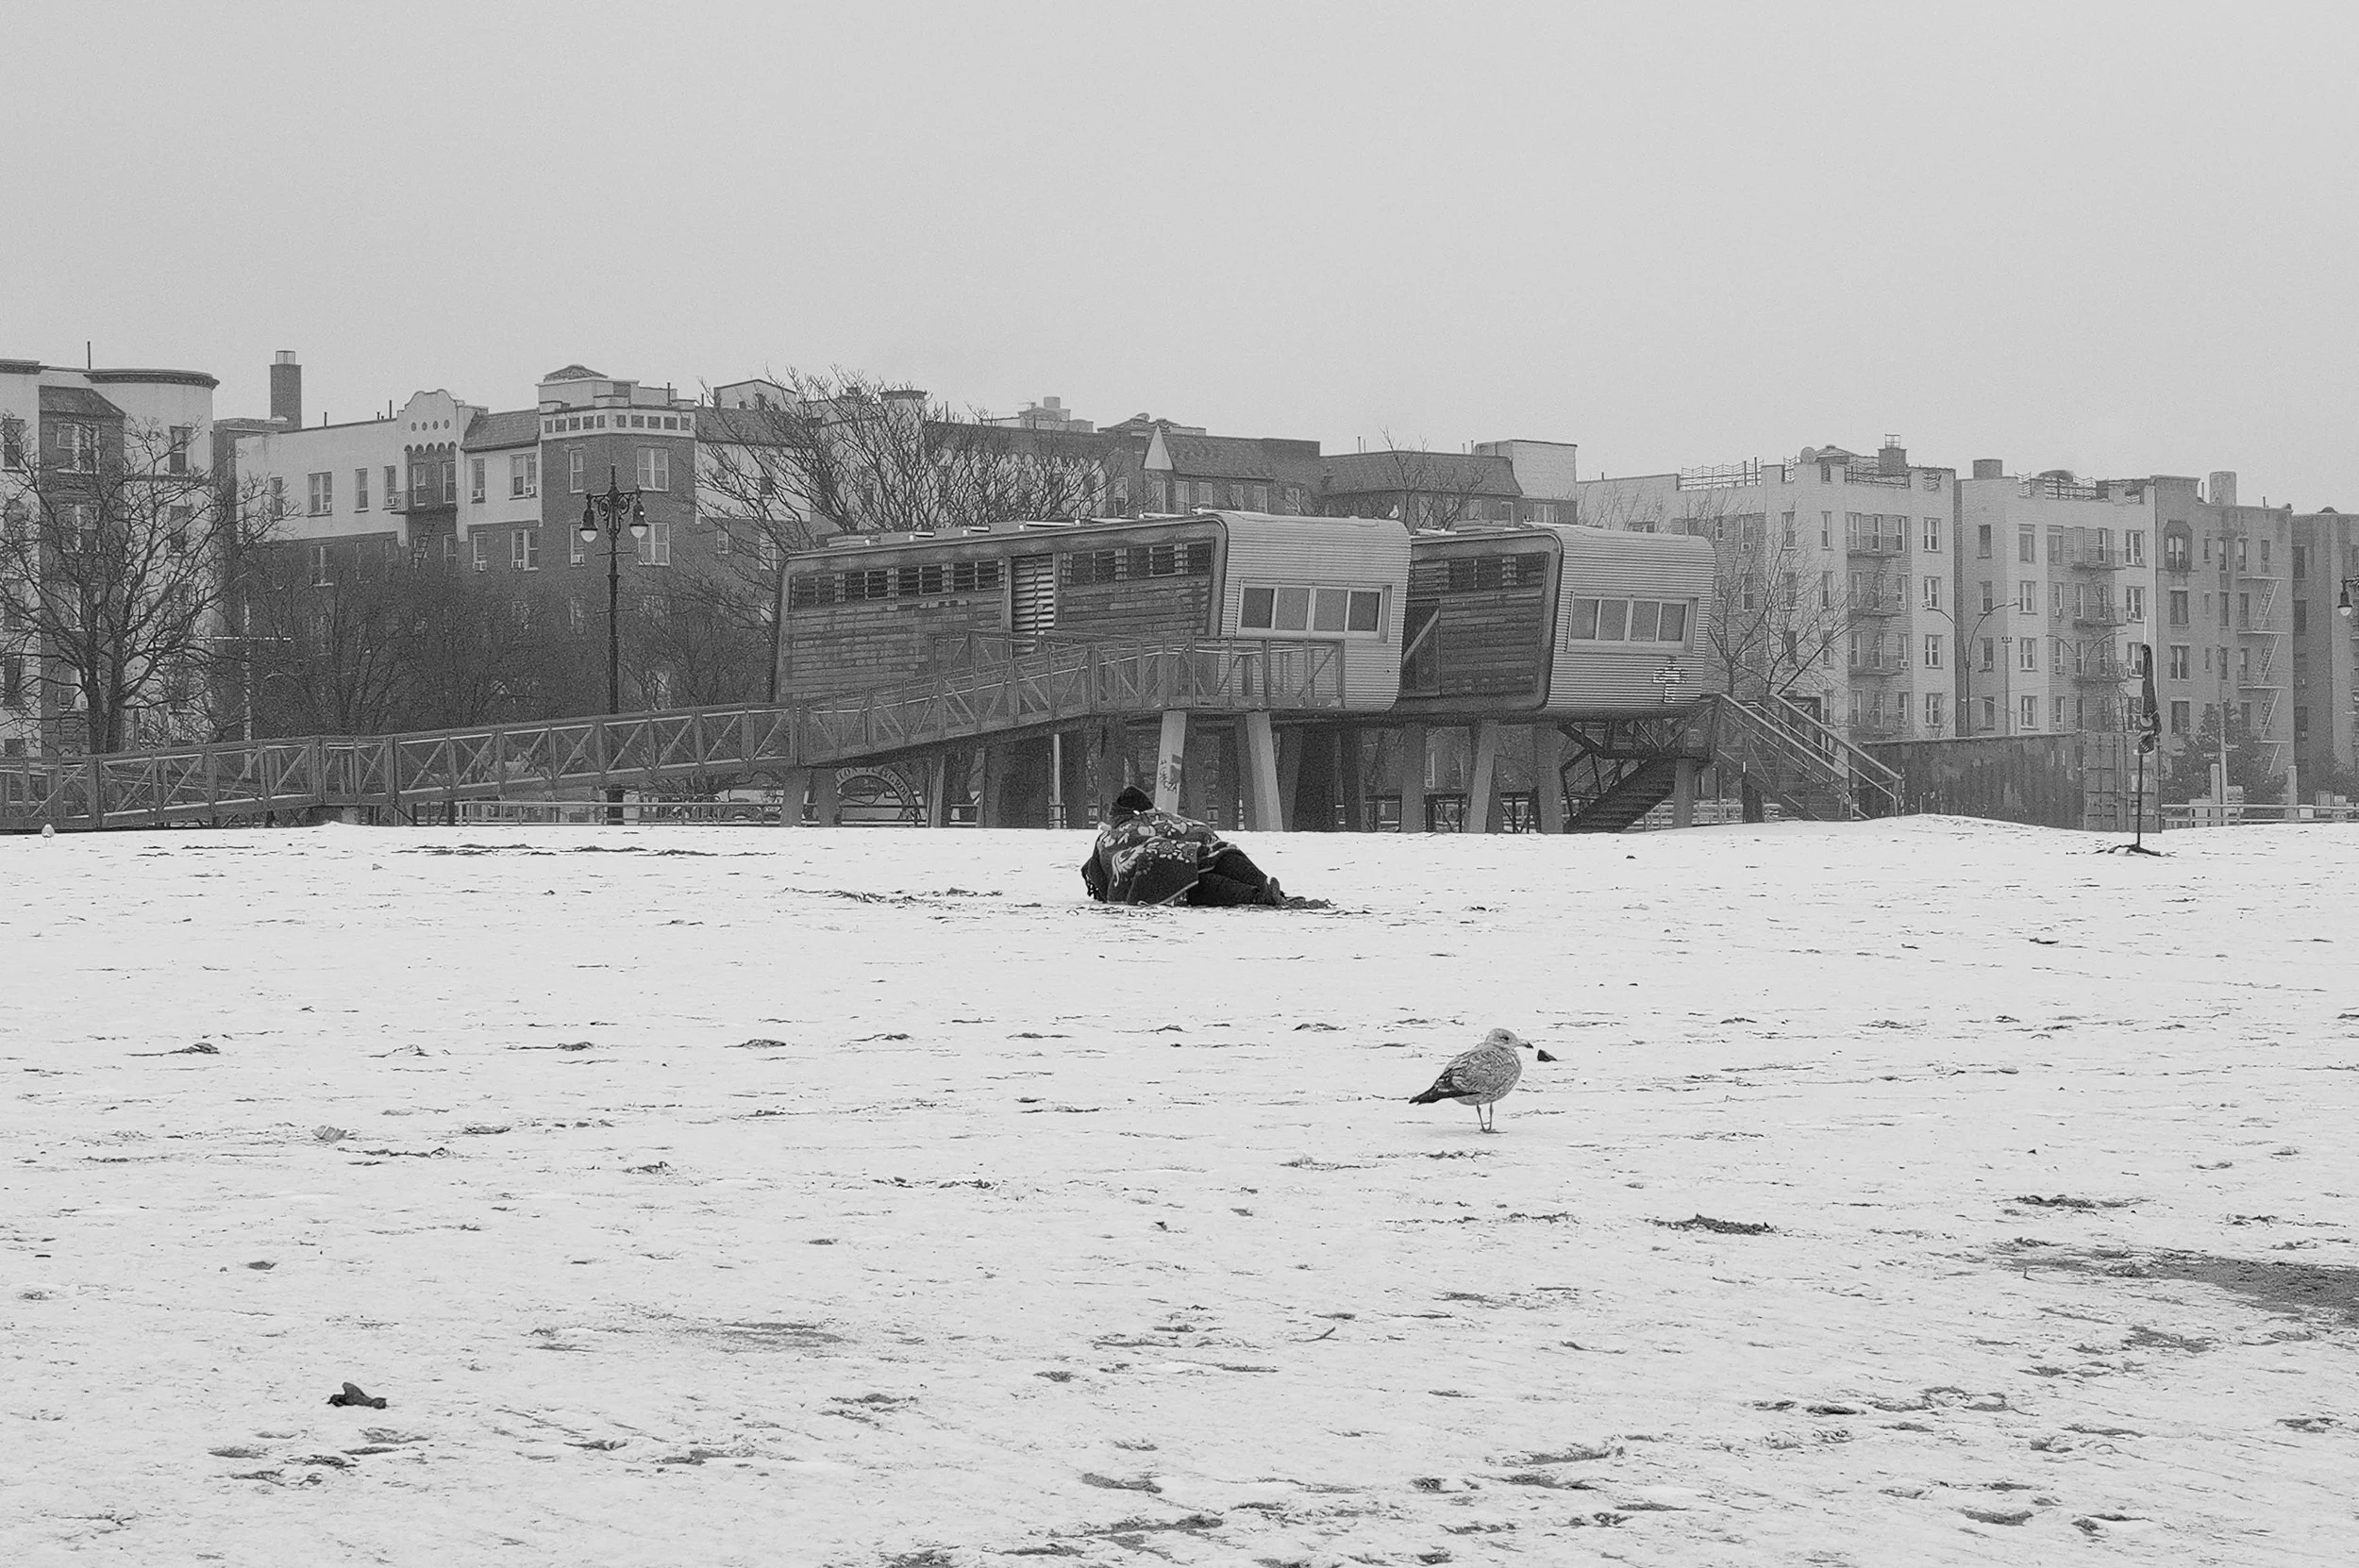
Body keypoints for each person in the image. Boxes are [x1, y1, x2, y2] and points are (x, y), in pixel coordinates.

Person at [1080, 786, 1288, 908]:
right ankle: (1264, 886)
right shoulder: (1168, 819)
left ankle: (1258, 897)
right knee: (1223, 854)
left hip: (1171, 870)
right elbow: (1196, 829)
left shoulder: (1112, 836)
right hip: (1202, 850)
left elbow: (1104, 864)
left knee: (1196, 879)